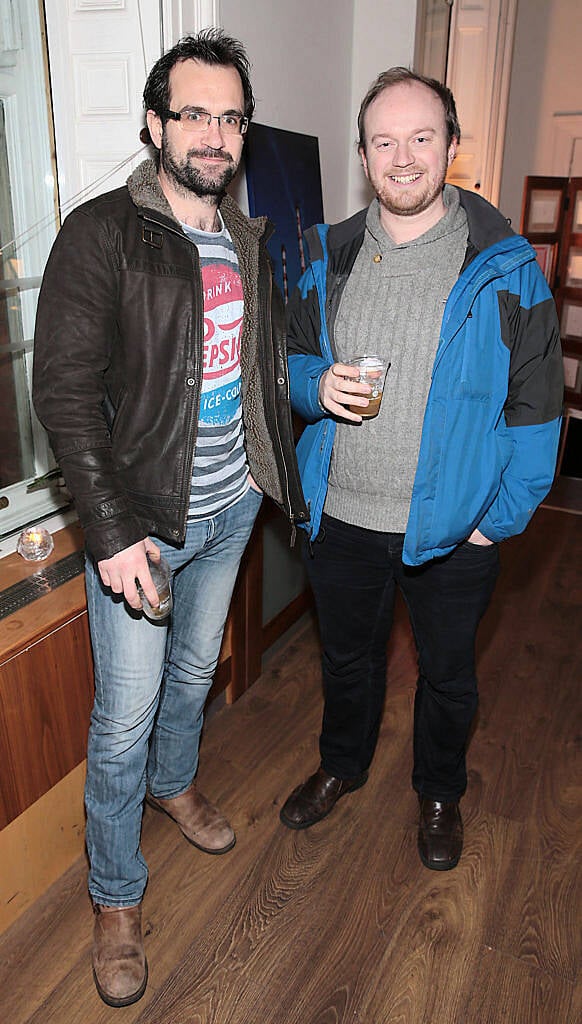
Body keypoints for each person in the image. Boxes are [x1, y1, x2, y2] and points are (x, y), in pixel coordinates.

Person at [33, 29, 307, 1008]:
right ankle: (115, 895)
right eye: (193, 112)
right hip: (142, 526)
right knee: (122, 720)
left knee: (194, 673)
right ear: (154, 123)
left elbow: (246, 371)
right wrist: (107, 532)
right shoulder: (101, 232)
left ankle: (175, 781)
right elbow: (64, 394)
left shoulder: (246, 236)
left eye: (230, 116)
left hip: (230, 507)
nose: (214, 133)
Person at [280, 69, 563, 873]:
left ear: (452, 146)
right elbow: (288, 362)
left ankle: (440, 791)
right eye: (384, 141)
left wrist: (494, 521)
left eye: (422, 137)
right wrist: (314, 384)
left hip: (454, 528)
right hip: (341, 517)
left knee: (448, 677)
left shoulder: (508, 269)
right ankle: (343, 765)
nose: (403, 158)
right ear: (363, 154)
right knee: (346, 662)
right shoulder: (325, 254)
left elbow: (539, 410)